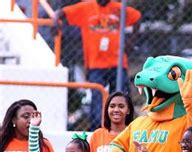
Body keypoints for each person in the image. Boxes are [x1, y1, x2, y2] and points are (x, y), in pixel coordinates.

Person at [53, 0, 141, 130]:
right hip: (96, 64)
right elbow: (61, 13)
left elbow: (137, 18)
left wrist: (131, 42)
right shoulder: (85, 7)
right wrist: (55, 22)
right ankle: (97, 129)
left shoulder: (118, 8)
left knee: (121, 95)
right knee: (96, 98)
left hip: (117, 62)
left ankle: (122, 128)